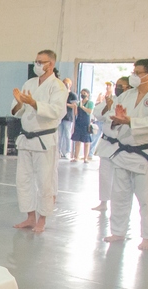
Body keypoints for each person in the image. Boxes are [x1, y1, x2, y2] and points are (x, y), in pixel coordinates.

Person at [102, 59, 148, 250]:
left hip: (145, 154)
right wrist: (116, 120)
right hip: (123, 152)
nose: (133, 75)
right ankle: (118, 231)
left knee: (146, 198)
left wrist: (130, 121)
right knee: (119, 196)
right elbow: (110, 115)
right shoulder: (127, 95)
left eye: (137, 72)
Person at [11, 50, 68, 233]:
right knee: (23, 180)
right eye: (36, 61)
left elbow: (57, 111)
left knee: (45, 181)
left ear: (51, 64)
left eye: (41, 62)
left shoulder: (58, 87)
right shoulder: (29, 83)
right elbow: (17, 110)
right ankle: (30, 217)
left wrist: (34, 103)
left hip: (44, 139)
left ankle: (42, 219)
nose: (37, 64)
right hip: (26, 138)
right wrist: (20, 103)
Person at [92, 77, 130, 212]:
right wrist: (107, 107)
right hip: (107, 143)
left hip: (122, 145)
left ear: (128, 87)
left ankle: (119, 205)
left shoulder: (132, 101)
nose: (117, 88)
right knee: (104, 175)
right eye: (117, 85)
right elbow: (97, 114)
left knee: (120, 178)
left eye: (121, 86)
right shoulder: (111, 99)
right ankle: (103, 202)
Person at [71, 88, 94, 162]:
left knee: (86, 142)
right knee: (77, 140)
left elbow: (89, 111)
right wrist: (75, 107)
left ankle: (85, 158)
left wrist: (82, 107)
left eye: (84, 93)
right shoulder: (79, 103)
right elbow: (76, 113)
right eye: (81, 93)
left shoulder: (90, 103)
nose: (82, 95)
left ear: (88, 94)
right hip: (79, 122)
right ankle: (76, 157)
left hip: (86, 122)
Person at [89, 82, 112, 155]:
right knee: (95, 137)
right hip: (98, 121)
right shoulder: (102, 95)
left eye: (109, 85)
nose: (107, 87)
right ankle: (90, 153)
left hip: (107, 122)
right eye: (107, 85)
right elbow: (96, 108)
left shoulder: (115, 98)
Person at [58, 78, 78, 159]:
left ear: (70, 85)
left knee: (67, 135)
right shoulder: (60, 94)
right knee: (59, 135)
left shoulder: (72, 95)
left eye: (66, 84)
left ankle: (68, 151)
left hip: (68, 118)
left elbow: (74, 105)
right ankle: (58, 151)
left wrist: (66, 104)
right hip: (60, 117)